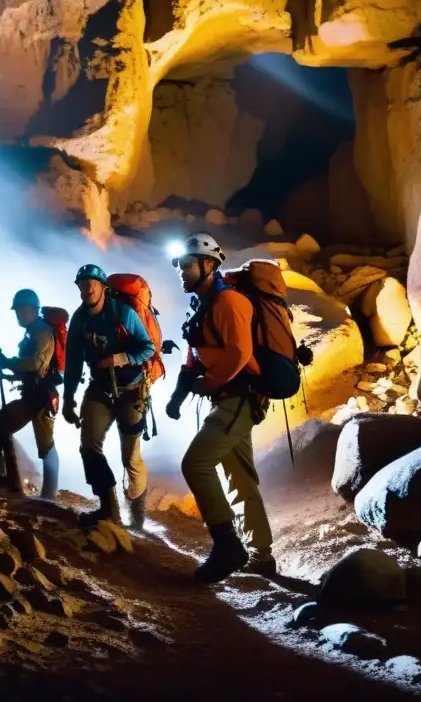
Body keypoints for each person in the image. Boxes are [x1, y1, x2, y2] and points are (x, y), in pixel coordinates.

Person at [166, 232, 276, 582]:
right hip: (228, 398)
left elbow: (240, 353)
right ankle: (262, 554)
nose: (181, 272)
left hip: (239, 398)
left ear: (209, 264)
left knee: (196, 464)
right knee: (239, 477)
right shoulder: (204, 303)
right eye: (179, 267)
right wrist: (180, 395)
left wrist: (208, 383)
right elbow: (199, 352)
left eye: (187, 266)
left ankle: (228, 546)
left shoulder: (229, 302)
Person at [63, 264, 155, 529]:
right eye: (82, 284)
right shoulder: (79, 319)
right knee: (89, 445)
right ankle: (109, 508)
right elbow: (73, 363)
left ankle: (137, 513)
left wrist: (118, 358)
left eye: (93, 283)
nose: (88, 288)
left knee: (130, 457)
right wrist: (68, 398)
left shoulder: (122, 313)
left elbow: (147, 347)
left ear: (103, 287)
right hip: (100, 389)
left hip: (131, 390)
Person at [0, 288, 61, 498]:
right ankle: (10, 480)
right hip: (33, 395)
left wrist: (8, 363)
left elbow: (36, 365)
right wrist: (10, 370)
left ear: (30, 309)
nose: (17, 315)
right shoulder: (33, 331)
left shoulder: (41, 332)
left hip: (42, 398)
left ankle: (47, 495)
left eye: (19, 310)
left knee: (45, 446)